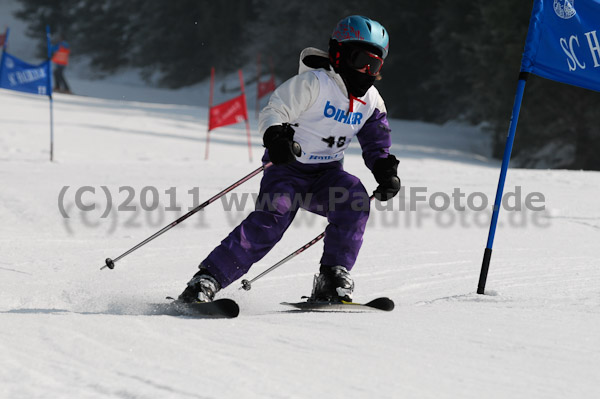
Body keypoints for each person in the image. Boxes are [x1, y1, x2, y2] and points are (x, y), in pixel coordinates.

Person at [179, 15, 400, 303]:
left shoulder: (371, 101)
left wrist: (385, 169)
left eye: (375, 65)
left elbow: (376, 142)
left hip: (326, 176)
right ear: (339, 54)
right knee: (272, 219)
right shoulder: (312, 84)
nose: (367, 71)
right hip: (287, 170)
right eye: (360, 60)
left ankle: (332, 278)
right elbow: (275, 111)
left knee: (353, 198)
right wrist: (277, 138)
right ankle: (206, 280)